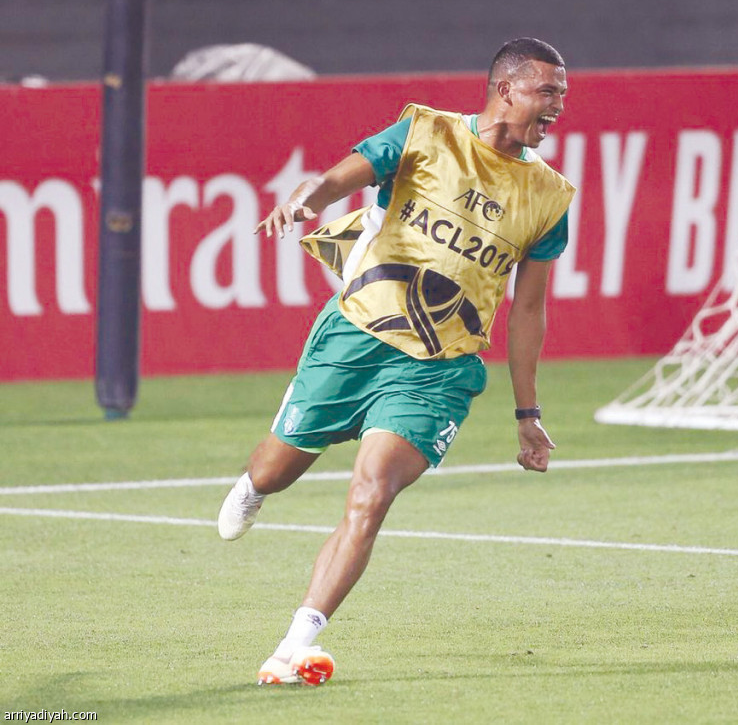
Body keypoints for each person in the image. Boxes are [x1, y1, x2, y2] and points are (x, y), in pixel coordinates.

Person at [217, 37, 576, 687]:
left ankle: (294, 644)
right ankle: (254, 487)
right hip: (355, 339)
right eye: (547, 91)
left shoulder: (549, 195)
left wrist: (528, 413)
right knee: (273, 470)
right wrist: (307, 200)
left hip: (438, 369)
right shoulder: (425, 132)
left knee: (371, 492)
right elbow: (334, 179)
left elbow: (528, 310)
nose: (557, 106)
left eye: (563, 95)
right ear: (506, 89)